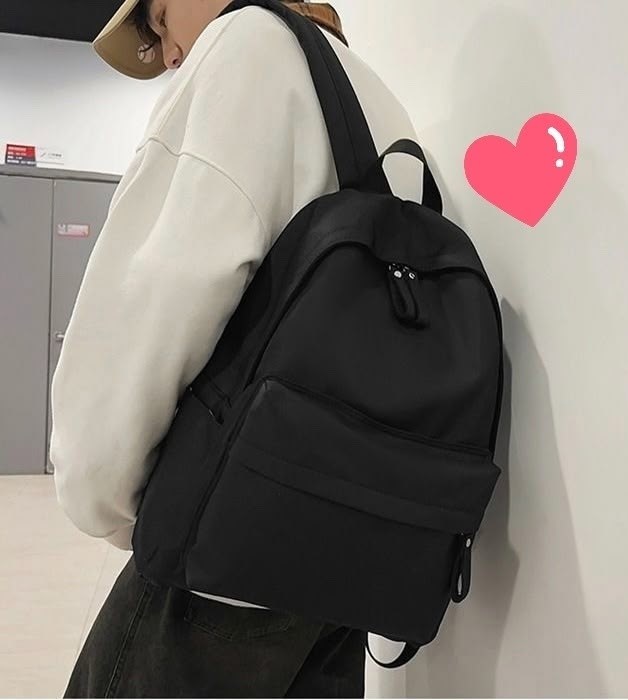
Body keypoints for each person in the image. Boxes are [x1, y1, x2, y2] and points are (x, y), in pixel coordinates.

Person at [52, 0, 422, 696]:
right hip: (351, 561)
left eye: (159, 19)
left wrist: (101, 494)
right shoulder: (370, 92)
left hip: (225, 552)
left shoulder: (245, 45)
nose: (166, 53)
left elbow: (160, 291)